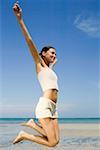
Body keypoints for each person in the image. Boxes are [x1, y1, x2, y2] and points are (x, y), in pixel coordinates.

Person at [13, 2, 60, 147]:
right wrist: (20, 19)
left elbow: (51, 71)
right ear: (43, 53)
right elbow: (29, 41)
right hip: (45, 105)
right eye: (52, 53)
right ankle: (24, 134)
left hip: (54, 107)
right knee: (51, 142)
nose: (54, 55)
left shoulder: (49, 69)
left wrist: (52, 63)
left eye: (55, 54)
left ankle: (32, 124)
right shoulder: (39, 64)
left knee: (56, 141)